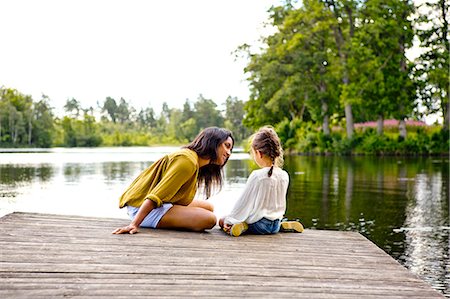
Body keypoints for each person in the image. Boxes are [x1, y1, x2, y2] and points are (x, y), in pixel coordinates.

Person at [113, 127, 234, 235]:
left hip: (157, 203)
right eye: (226, 146)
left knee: (209, 207)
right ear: (213, 142)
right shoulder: (187, 161)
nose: (228, 153)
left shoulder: (196, 161)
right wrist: (134, 224)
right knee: (209, 219)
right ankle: (149, 219)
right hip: (140, 207)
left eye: (231, 149)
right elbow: (155, 196)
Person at [219, 126, 303, 237]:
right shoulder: (284, 175)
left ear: (259, 153)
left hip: (259, 225)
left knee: (223, 219)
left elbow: (243, 203)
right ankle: (282, 224)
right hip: (275, 224)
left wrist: (229, 220)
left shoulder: (257, 176)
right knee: (271, 219)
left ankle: (244, 226)